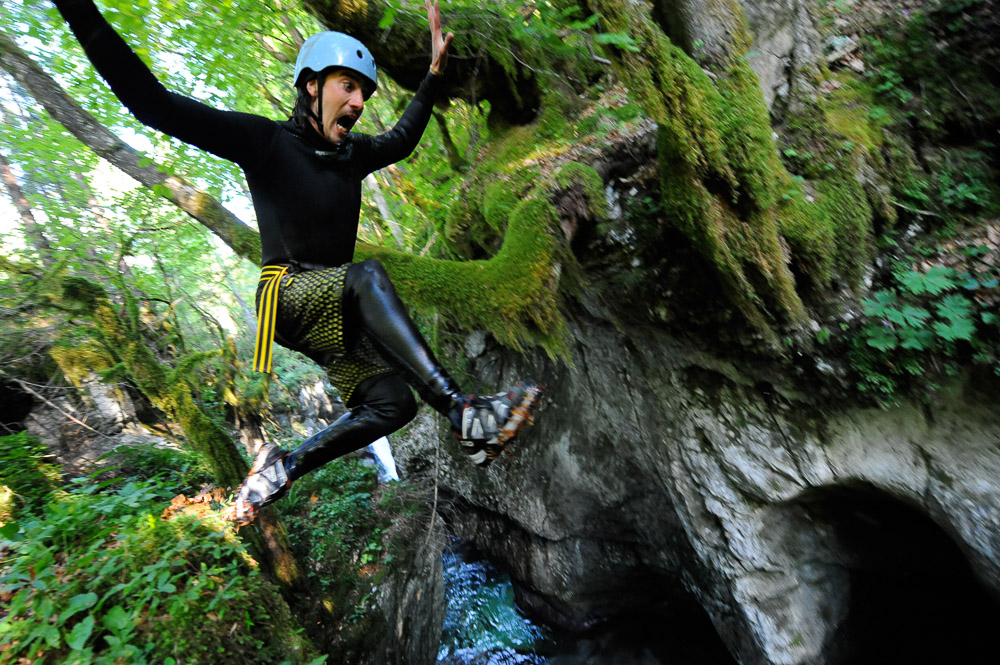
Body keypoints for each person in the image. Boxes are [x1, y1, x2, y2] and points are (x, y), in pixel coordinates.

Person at [51, 0, 542, 526]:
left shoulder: (352, 156)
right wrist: (79, 11)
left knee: (395, 404)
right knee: (368, 276)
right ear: (312, 86)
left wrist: (433, 74)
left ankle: (283, 469)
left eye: (364, 94)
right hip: (285, 295)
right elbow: (153, 104)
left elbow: (401, 139)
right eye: (347, 87)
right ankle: (464, 413)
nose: (358, 102)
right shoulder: (265, 142)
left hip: (336, 308)